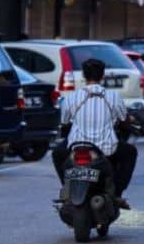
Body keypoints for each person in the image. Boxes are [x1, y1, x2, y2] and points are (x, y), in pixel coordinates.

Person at [52, 58, 137, 209]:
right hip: (106, 148)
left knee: (57, 153)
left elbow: (64, 123)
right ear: (102, 75)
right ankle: (117, 194)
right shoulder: (113, 97)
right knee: (130, 152)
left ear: (83, 76)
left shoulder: (71, 97)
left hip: (76, 147)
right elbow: (124, 121)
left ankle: (67, 188)